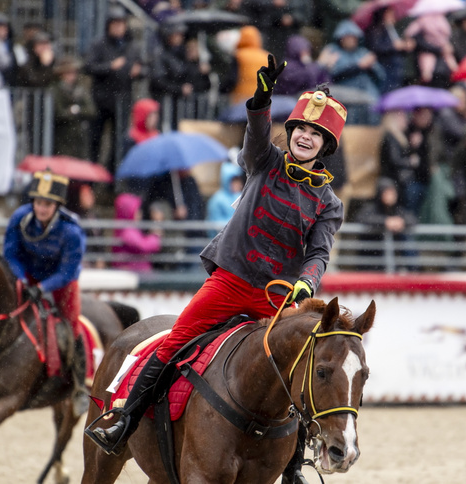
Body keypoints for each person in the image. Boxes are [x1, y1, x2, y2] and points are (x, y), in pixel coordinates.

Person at [88, 55, 347, 484]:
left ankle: (293, 465)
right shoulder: (265, 160)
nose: (305, 136)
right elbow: (257, 135)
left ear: (326, 146)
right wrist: (261, 99)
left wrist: (306, 283)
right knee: (173, 344)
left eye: (316, 134)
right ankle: (123, 422)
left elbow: (318, 254)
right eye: (302, 127)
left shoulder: (330, 204)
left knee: (296, 371)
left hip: (279, 299)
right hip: (230, 282)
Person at [2, 169, 90, 416]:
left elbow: (69, 271)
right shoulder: (19, 219)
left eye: (48, 204)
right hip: (27, 277)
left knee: (71, 330)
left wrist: (42, 288)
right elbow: (10, 253)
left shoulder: (71, 231)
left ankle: (79, 386)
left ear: (57, 206)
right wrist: (21, 279)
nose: (42, 208)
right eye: (38, 202)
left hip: (61, 285)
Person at [84, 6, 145, 176]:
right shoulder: (99, 44)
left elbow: (144, 67)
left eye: (121, 24)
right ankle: (91, 177)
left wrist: (139, 71)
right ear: (109, 25)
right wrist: (109, 67)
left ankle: (112, 177)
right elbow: (88, 67)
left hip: (122, 99)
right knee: (95, 140)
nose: (119, 28)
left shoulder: (132, 46)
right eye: (115, 24)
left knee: (118, 142)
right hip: (101, 100)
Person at [51, 55, 95, 159]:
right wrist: (71, 112)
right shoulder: (56, 90)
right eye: (68, 73)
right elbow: (59, 113)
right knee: (63, 161)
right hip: (62, 134)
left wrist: (77, 110)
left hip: (79, 134)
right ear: (61, 74)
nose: (72, 76)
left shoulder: (80, 89)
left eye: (74, 72)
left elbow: (91, 111)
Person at [111, 193, 163, 272]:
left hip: (138, 272)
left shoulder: (129, 229)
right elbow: (143, 246)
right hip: (134, 274)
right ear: (127, 211)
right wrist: (155, 236)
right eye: (136, 210)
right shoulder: (127, 231)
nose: (139, 213)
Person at [206, 161, 245, 237]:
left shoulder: (240, 196)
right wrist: (237, 224)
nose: (238, 184)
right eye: (234, 181)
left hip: (236, 239)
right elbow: (216, 222)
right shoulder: (217, 199)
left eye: (238, 180)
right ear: (227, 181)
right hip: (221, 240)